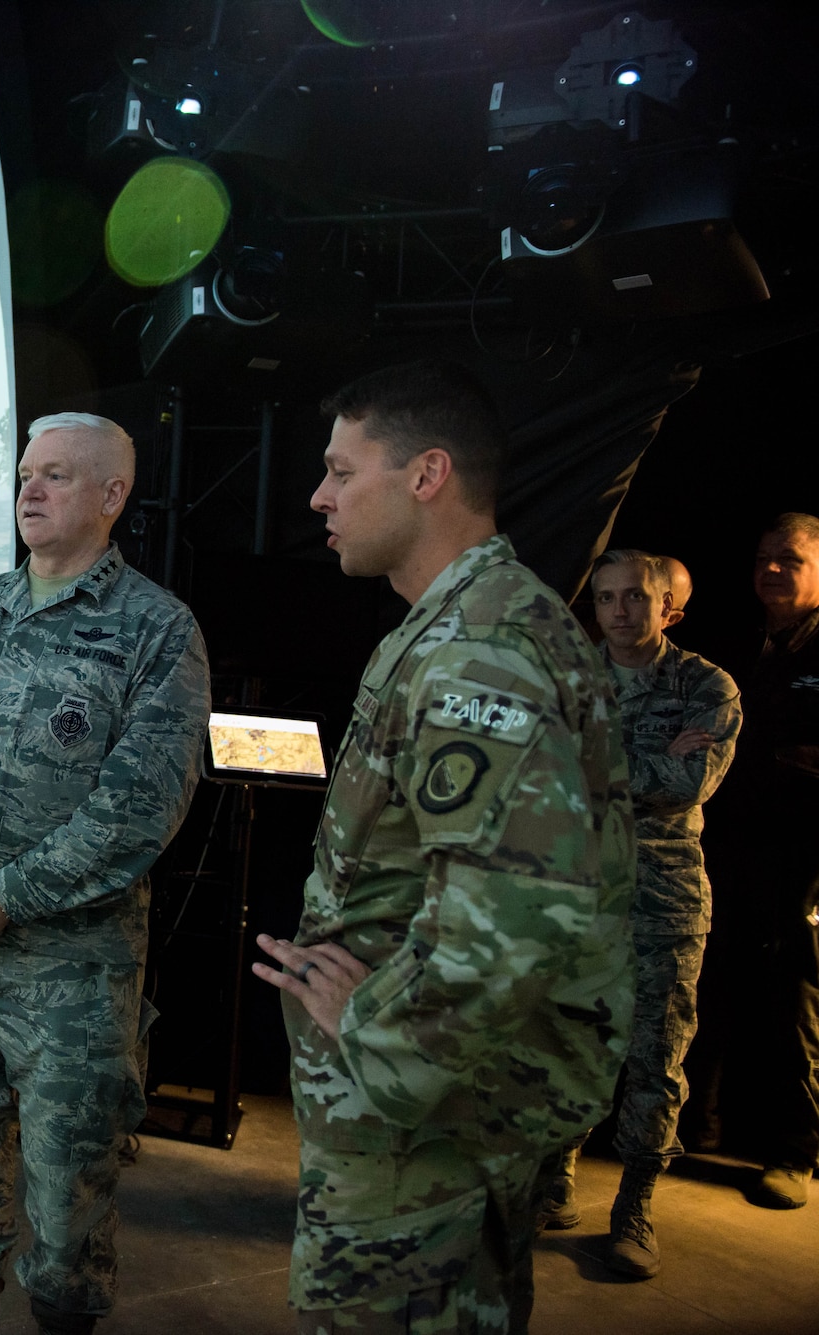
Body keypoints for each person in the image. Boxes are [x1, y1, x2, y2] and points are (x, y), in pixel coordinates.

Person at [252, 360, 634, 1335]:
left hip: (425, 1119)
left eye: (340, 472)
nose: (317, 496)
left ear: (424, 475)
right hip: (442, 1110)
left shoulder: (476, 651)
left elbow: (512, 918)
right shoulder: (455, 626)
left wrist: (373, 1028)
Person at [0, 411, 210, 1335]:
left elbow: (140, 809)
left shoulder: (157, 631)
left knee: (69, 1175)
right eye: (27, 472)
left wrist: (8, 895)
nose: (31, 489)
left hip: (72, 965)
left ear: (112, 498)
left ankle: (61, 1320)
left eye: (58, 475)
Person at [534, 549, 740, 1278]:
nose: (620, 611)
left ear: (668, 607)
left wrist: (597, 763)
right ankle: (555, 1182)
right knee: (568, 1045)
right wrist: (638, 759)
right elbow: (539, 774)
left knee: (654, 1060)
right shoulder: (570, 673)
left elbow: (687, 783)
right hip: (577, 893)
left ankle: (635, 1208)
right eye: (607, 599)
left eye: (636, 599)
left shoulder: (705, 686)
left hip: (664, 901)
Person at [702, 514, 819, 1207]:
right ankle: (698, 1122)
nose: (773, 569)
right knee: (711, 977)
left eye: (792, 559)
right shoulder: (740, 644)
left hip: (805, 854)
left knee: (794, 990)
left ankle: (796, 1152)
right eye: (763, 557)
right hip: (732, 843)